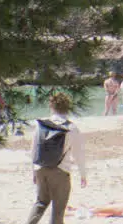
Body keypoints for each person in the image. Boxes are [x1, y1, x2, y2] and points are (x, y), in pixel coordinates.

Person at [27, 91, 87, 224]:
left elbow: (33, 150)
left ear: (51, 107)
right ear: (68, 108)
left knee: (40, 203)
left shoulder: (40, 125)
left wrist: (34, 171)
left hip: (40, 168)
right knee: (58, 210)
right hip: (61, 171)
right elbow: (78, 154)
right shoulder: (71, 128)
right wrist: (83, 175)